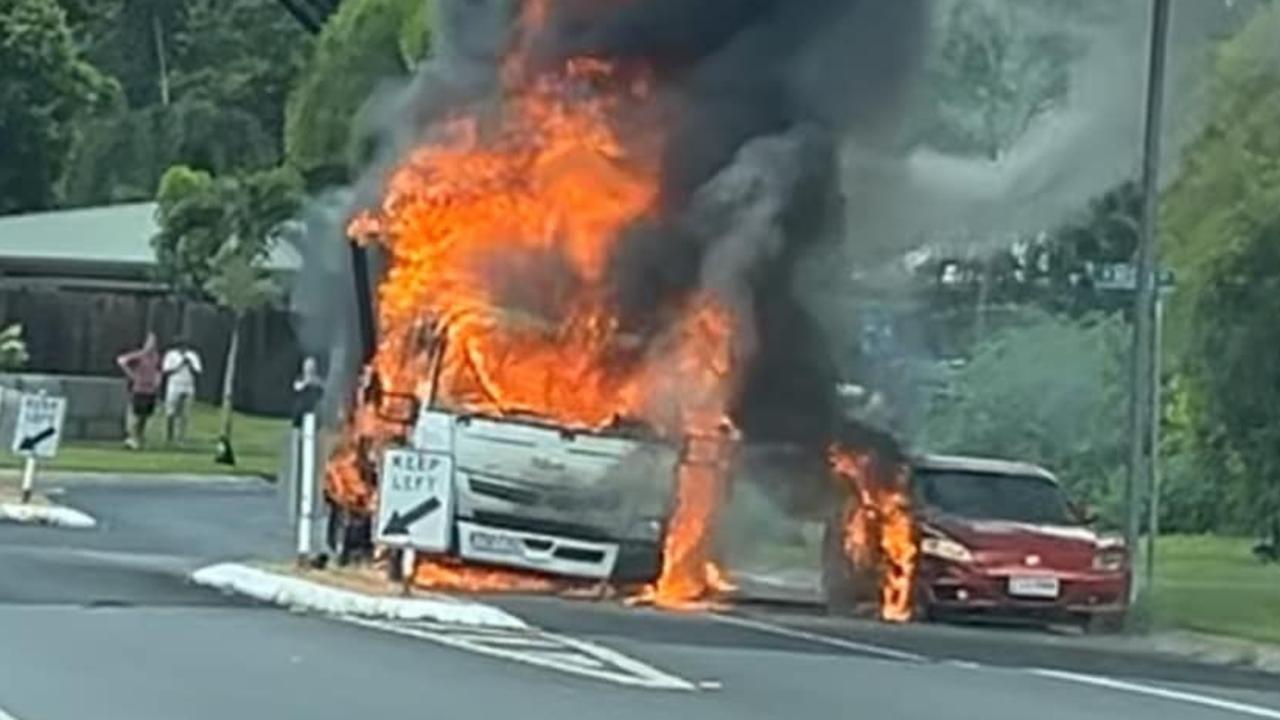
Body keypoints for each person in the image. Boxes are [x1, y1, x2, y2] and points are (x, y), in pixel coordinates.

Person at [116, 332, 161, 450]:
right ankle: (132, 438)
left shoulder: (156, 357)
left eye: (154, 342)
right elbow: (121, 360)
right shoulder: (139, 356)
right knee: (136, 415)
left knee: (145, 416)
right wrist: (131, 374)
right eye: (150, 342)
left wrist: (157, 380)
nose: (152, 345)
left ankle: (140, 439)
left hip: (151, 390)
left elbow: (158, 370)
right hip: (139, 389)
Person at [162, 337, 203, 444]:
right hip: (174, 385)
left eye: (185, 346)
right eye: (180, 346)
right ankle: (169, 436)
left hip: (188, 386)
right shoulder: (170, 355)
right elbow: (166, 371)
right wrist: (179, 365)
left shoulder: (193, 355)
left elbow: (198, 371)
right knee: (171, 412)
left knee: (185, 413)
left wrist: (190, 365)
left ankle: (181, 437)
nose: (183, 348)